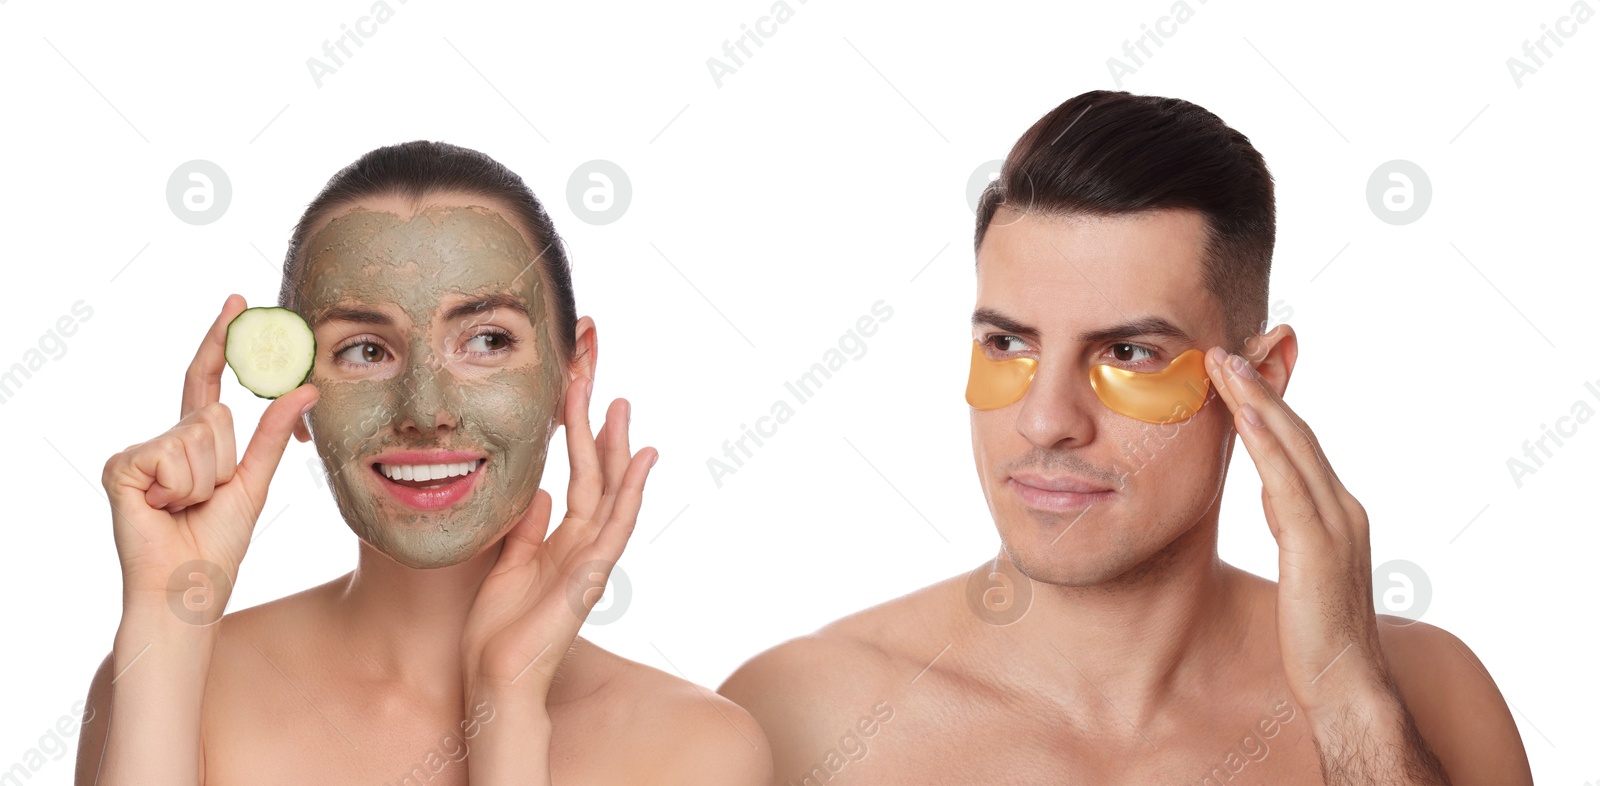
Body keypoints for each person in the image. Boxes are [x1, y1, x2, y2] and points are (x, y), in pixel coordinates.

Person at [719, 91, 1533, 784]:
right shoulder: (797, 721)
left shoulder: (1427, 693)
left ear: (1262, 379)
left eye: (1129, 353)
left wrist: (1351, 698)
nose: (1045, 421)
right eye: (1008, 344)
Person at [78, 141, 770, 784]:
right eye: (365, 350)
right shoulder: (173, 677)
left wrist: (509, 706)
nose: (426, 409)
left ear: (572, 370)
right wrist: (169, 617)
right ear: (292, 389)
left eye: (488, 340)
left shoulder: (696, 750)